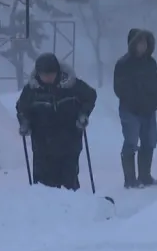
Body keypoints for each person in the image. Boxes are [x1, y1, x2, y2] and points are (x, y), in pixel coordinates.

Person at [16, 53, 97, 191]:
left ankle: (72, 208)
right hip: (42, 143)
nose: (48, 78)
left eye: (51, 74)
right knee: (43, 185)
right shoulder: (31, 90)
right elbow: (22, 109)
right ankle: (45, 210)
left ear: (57, 72)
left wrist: (83, 115)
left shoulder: (72, 86)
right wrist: (24, 123)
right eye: (44, 75)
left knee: (69, 181)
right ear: (38, 74)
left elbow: (90, 96)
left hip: (69, 140)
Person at [113, 28, 157, 189]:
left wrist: (156, 101)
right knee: (131, 142)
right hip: (130, 111)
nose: (143, 46)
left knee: (150, 142)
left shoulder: (151, 63)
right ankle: (130, 179)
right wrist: (135, 102)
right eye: (139, 43)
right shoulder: (123, 64)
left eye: (145, 43)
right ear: (132, 44)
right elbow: (120, 89)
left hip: (149, 110)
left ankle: (145, 176)